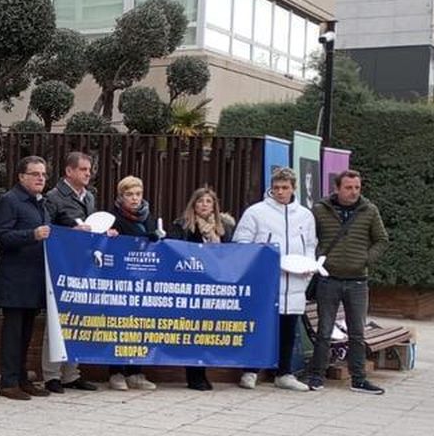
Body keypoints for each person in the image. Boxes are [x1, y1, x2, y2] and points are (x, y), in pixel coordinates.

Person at [305, 169, 389, 394]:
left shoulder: (369, 210)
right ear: (337, 188)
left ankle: (358, 379)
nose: (354, 192)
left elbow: (382, 240)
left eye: (357, 188)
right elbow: (308, 238)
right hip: (328, 279)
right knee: (324, 331)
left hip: (357, 281)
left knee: (357, 332)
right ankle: (316, 376)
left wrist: (365, 260)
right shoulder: (320, 210)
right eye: (349, 187)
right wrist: (317, 260)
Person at [233, 167, 315, 391]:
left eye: (285, 187)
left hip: (294, 282)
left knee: (288, 330)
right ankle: (250, 371)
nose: (280, 192)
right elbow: (241, 242)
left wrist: (308, 266)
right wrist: (263, 261)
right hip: (266, 281)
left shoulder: (305, 215)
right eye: (276, 187)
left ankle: (284, 373)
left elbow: (310, 245)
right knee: (260, 327)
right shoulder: (256, 212)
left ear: (293, 188)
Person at [40, 151, 102, 393]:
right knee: (56, 321)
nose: (88, 174)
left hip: (82, 266)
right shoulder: (54, 197)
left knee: (78, 320)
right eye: (83, 169)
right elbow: (46, 229)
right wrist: (71, 234)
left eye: (89, 170)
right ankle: (51, 375)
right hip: (61, 266)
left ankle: (71, 374)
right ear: (69, 171)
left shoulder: (89, 197)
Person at [0, 156, 52, 401]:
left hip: (34, 279)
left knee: (27, 333)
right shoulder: (10, 201)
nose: (41, 178)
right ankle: (8, 382)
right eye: (35, 174)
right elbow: (1, 236)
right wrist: (32, 235)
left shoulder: (40, 203)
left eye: (44, 174)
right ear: (21, 176)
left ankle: (21, 379)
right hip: (15, 279)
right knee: (13, 333)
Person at [166, 187, 235, 391]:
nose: (204, 205)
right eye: (200, 201)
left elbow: (231, 255)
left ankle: (204, 371)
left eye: (208, 201)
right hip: (190, 286)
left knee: (207, 331)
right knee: (192, 331)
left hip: (214, 287)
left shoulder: (224, 229)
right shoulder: (182, 226)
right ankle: (194, 376)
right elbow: (173, 251)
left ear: (214, 206)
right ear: (193, 204)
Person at [108, 176, 158, 391]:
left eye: (138, 194)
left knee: (140, 326)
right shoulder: (113, 217)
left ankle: (136, 372)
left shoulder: (148, 218)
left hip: (144, 281)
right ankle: (116, 372)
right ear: (121, 196)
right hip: (121, 279)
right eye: (129, 194)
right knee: (119, 325)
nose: (135, 198)